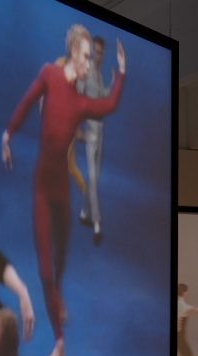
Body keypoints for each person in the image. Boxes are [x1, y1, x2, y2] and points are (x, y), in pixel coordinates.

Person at [3, 25, 126, 356]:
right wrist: (7, 135)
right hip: (43, 190)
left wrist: (123, 73)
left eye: (92, 58)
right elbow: (27, 103)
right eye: (87, 57)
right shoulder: (49, 74)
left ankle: (58, 296)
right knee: (44, 271)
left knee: (60, 262)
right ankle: (60, 341)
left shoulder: (82, 102)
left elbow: (111, 105)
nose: (90, 64)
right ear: (74, 51)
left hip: (63, 194)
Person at [77, 36, 111, 246]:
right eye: (95, 51)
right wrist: (79, 130)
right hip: (89, 130)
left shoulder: (98, 74)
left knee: (94, 178)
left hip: (100, 130)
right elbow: (78, 99)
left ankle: (83, 212)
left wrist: (115, 83)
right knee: (92, 176)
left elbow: (102, 98)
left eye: (101, 52)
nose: (98, 55)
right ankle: (97, 225)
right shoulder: (85, 72)